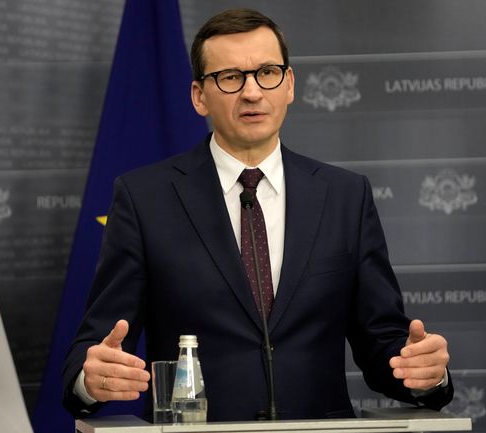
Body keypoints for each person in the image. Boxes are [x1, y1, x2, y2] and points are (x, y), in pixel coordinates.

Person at [62, 8, 453, 421]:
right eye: (230, 77)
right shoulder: (145, 198)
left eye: (267, 72)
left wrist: (423, 373)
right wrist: (91, 379)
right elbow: (96, 346)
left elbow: (383, 344)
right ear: (199, 96)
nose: (252, 92)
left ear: (289, 84)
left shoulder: (345, 196)